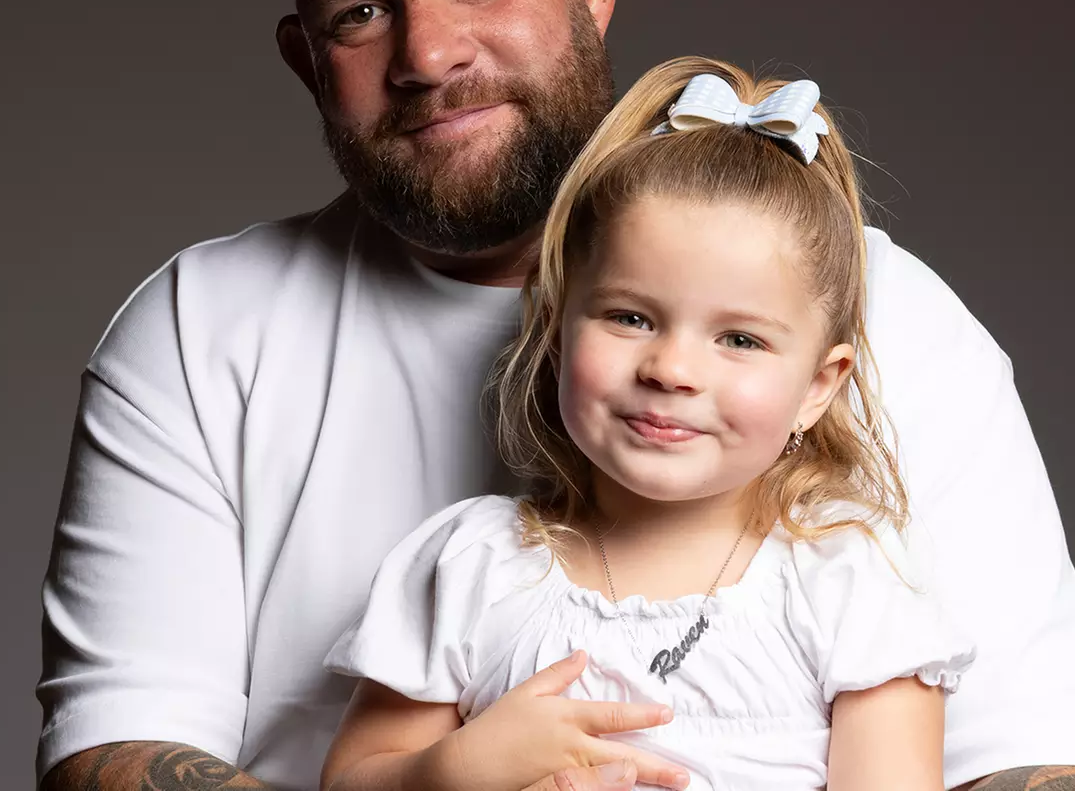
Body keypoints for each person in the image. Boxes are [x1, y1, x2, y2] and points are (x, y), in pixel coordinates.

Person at [35, 0, 1075, 791]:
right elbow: (119, 747)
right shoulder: (203, 330)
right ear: (305, 57)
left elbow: (1031, 753)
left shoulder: (887, 319)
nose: (430, 54)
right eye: (359, 12)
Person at [322, 58, 975, 791]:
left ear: (817, 388)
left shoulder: (849, 581)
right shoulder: (475, 567)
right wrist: (458, 768)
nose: (671, 368)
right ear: (557, 333)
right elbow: (352, 780)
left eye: (740, 339)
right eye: (630, 318)